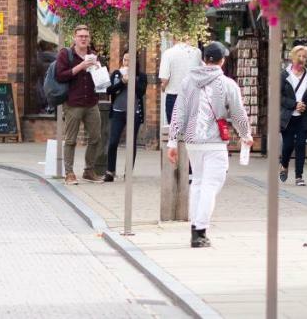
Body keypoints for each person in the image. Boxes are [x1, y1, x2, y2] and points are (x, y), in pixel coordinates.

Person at [167, 41, 252, 248]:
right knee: (211, 184)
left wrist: (172, 141)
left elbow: (179, 111)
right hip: (214, 142)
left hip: (192, 142)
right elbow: (238, 112)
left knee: (197, 182)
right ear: (222, 61)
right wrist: (245, 134)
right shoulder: (227, 84)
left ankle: (195, 227)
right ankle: (200, 231)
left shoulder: (188, 81)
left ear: (204, 59)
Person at [55, 26, 105, 185]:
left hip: (91, 102)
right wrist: (80, 67)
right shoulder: (66, 54)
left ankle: (89, 171)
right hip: (73, 103)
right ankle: (69, 173)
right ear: (74, 38)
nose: (83, 39)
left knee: (96, 137)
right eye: (80, 36)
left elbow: (101, 80)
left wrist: (99, 69)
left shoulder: (94, 55)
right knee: (70, 140)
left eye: (86, 36)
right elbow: (60, 75)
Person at [279, 44, 307, 187]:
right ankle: (284, 164)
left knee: (301, 145)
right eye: (299, 56)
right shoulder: (284, 75)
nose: (301, 59)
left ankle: (299, 176)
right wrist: (294, 104)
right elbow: (278, 97)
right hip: (288, 117)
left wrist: (306, 106)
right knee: (288, 145)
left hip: (303, 117)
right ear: (293, 57)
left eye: (304, 57)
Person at [104, 51, 147, 182]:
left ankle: (128, 171)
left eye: (130, 60)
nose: (127, 62)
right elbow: (109, 90)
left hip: (134, 112)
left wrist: (131, 79)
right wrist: (122, 81)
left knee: (131, 142)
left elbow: (141, 92)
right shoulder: (117, 74)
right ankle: (110, 171)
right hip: (118, 111)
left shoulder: (141, 76)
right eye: (125, 59)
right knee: (113, 141)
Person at [159, 38, 202, 125]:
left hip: (174, 96)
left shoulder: (168, 53)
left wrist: (163, 86)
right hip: (191, 96)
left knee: (174, 131)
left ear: (174, 38)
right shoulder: (197, 52)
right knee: (190, 130)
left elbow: (164, 79)